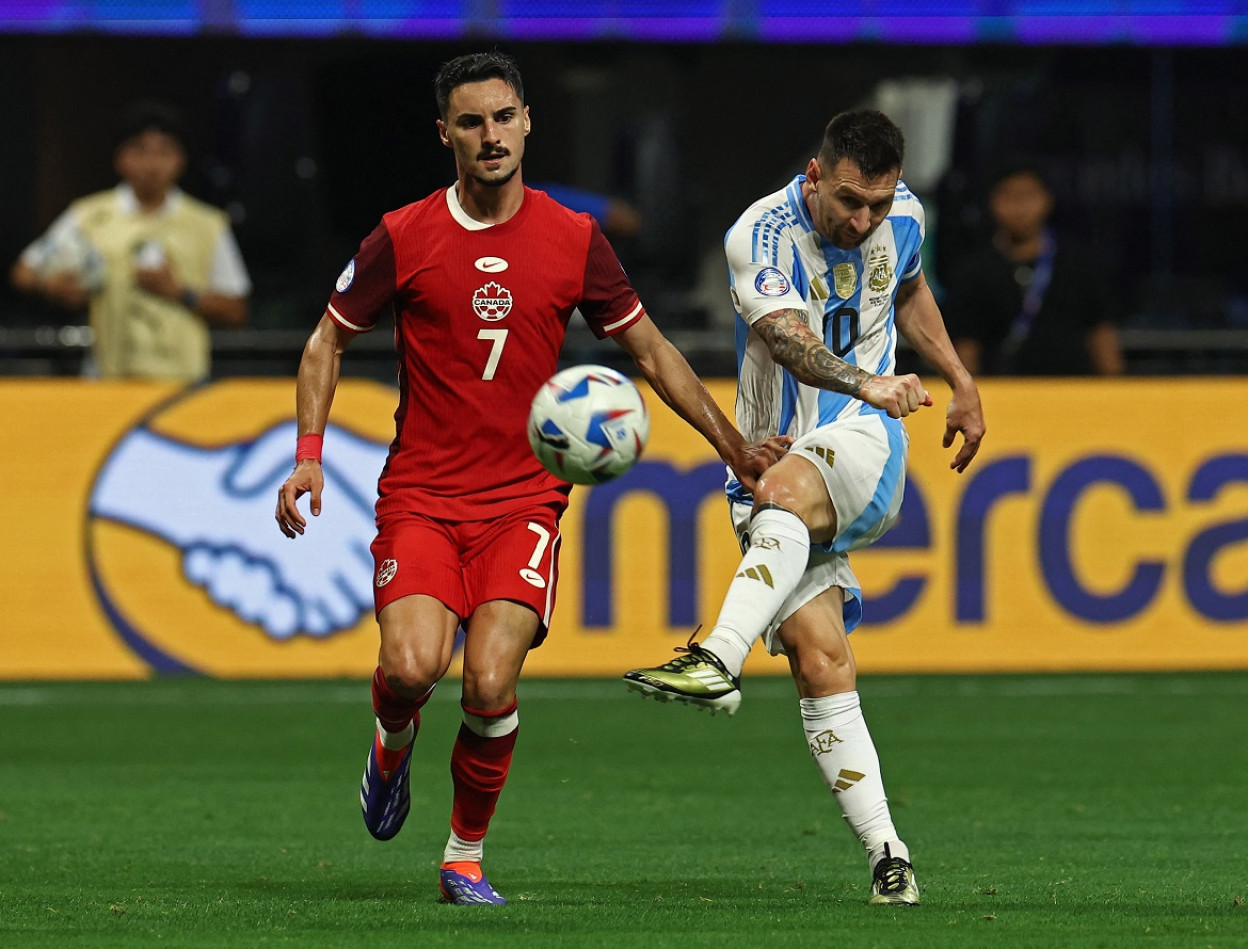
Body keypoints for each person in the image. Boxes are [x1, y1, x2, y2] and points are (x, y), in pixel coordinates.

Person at [272, 51, 790, 906]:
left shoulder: (572, 238)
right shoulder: (403, 236)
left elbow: (652, 348)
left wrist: (735, 446)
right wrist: (308, 454)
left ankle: (463, 857)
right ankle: (390, 742)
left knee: (488, 682)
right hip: (423, 496)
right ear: (445, 133)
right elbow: (327, 338)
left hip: (523, 499)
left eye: (503, 117)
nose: (490, 136)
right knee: (409, 668)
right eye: (470, 122)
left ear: (526, 121)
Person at [623, 109, 986, 907]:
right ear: (816, 175)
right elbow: (787, 338)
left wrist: (957, 379)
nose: (864, 221)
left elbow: (913, 286)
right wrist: (869, 378)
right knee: (820, 659)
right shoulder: (759, 233)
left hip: (864, 439)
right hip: (772, 462)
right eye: (850, 201)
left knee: (788, 487)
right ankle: (891, 857)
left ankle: (716, 656)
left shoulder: (904, 219)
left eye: (879, 205)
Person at [10, 101, 250, 381]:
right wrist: (54, 285)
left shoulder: (207, 224)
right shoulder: (90, 216)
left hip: (183, 386)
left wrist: (179, 292)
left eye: (164, 151)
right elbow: (24, 271)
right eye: (140, 150)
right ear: (120, 158)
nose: (152, 164)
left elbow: (237, 310)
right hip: (109, 383)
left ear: (181, 159)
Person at [945, 163, 1124, 376]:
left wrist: (1114, 387)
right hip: (1000, 392)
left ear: (1047, 200)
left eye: (1028, 196)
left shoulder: (1079, 263)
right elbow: (966, 344)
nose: (1019, 207)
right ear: (992, 202)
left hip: (1073, 390)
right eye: (1009, 196)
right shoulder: (974, 270)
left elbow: (1101, 333)